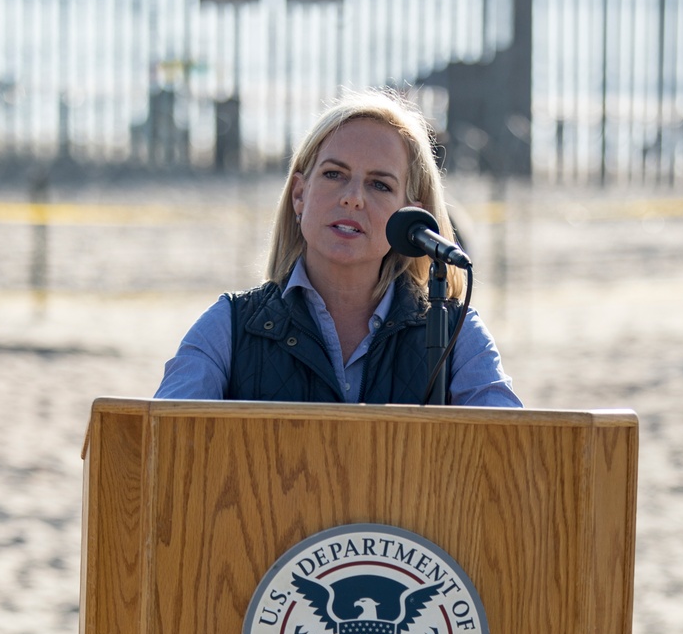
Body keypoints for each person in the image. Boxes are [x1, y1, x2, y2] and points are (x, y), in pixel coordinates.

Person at [154, 90, 521, 407]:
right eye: (334, 174)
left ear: (413, 216)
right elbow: (155, 446)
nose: (352, 198)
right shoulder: (228, 326)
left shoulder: (458, 334)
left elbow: (515, 457)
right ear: (300, 194)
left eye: (379, 185)